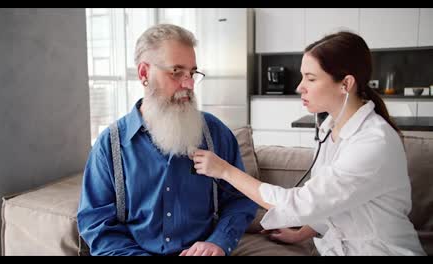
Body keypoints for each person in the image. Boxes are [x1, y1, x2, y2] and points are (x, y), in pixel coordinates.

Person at [192, 31, 426, 256]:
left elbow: (299, 203)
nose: (299, 87)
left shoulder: (373, 143)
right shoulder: (331, 129)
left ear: (345, 84)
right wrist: (303, 232)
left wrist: (224, 170)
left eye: (311, 78)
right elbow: (334, 198)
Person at [77, 24, 257, 256]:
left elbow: (240, 200)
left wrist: (219, 242)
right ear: (144, 73)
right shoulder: (109, 146)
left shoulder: (216, 133)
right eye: (176, 72)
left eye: (192, 73)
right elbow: (98, 226)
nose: (189, 84)